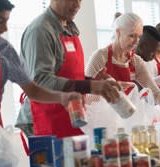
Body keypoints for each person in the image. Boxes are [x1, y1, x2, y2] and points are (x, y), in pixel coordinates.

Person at [16, 0, 121, 137]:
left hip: (70, 115)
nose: (77, 4)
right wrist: (91, 86)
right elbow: (40, 81)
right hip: (45, 118)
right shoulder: (41, 31)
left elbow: (69, 75)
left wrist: (92, 81)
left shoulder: (70, 29)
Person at [0, 0, 89, 128]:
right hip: (39, 120)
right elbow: (41, 79)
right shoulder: (40, 30)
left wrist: (62, 97)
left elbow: (33, 90)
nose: (5, 29)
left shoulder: (4, 51)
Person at [85, 13, 160, 120]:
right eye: (131, 36)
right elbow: (84, 96)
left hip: (127, 119)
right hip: (102, 120)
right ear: (118, 32)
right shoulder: (100, 57)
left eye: (138, 37)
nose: (136, 42)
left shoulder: (135, 61)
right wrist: (104, 89)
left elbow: (154, 91)